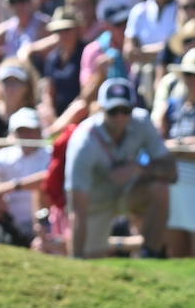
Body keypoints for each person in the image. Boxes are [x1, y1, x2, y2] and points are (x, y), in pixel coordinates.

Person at [65, 77, 176, 259]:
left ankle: (151, 254)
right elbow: (78, 208)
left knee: (160, 189)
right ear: (101, 110)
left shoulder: (142, 122)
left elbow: (172, 171)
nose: (120, 117)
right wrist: (76, 258)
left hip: (128, 193)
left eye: (125, 111)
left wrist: (138, 169)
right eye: (113, 111)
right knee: (88, 259)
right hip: (94, 202)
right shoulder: (83, 142)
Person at [155, 47, 195, 258]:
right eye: (189, 74)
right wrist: (183, 147)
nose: (194, 79)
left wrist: (175, 146)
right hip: (172, 180)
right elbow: (158, 142)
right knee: (176, 251)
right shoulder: (170, 105)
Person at [0, 106, 50, 245]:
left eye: (31, 130)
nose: (27, 135)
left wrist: (8, 188)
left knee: (39, 193)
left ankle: (42, 240)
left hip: (43, 218)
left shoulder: (49, 154)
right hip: (10, 220)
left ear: (40, 132)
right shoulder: (6, 154)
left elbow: (46, 178)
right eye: (21, 131)